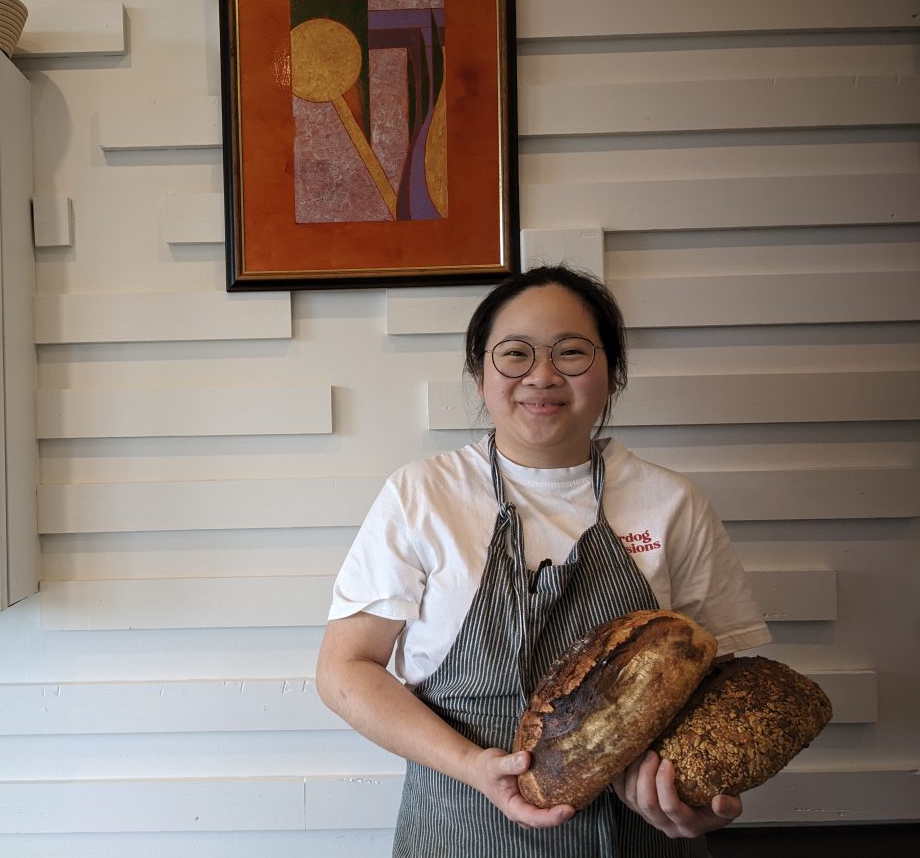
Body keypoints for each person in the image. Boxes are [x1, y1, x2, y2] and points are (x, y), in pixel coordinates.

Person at [316, 265, 771, 857]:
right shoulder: (422, 495)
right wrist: (474, 764)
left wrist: (698, 793)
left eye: (572, 353)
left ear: (612, 372)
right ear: (480, 373)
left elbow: (719, 681)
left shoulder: (671, 501)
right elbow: (345, 670)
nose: (543, 376)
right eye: (516, 354)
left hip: (639, 837)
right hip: (461, 827)